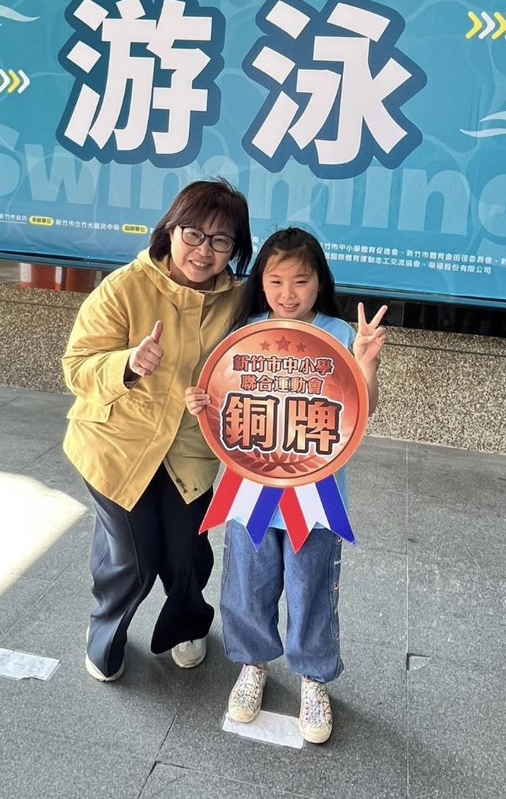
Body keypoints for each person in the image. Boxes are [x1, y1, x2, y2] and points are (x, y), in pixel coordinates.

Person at [185, 227, 387, 744]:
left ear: (320, 281)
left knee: (310, 586)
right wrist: (201, 401)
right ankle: (252, 665)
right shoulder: (246, 331)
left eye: (300, 280)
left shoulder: (338, 333)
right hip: (251, 490)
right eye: (276, 281)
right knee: (247, 585)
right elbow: (223, 397)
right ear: (261, 282)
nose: (288, 293)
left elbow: (362, 408)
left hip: (314, 495)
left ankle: (313, 678)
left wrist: (366, 362)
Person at [62, 179, 252, 683]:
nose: (204, 251)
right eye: (194, 234)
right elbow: (77, 369)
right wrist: (127, 364)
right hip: (116, 445)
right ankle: (105, 632)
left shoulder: (240, 302)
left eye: (221, 240)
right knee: (135, 560)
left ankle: (186, 625)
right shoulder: (124, 287)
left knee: (186, 555)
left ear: (235, 248)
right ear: (170, 230)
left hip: (189, 449)